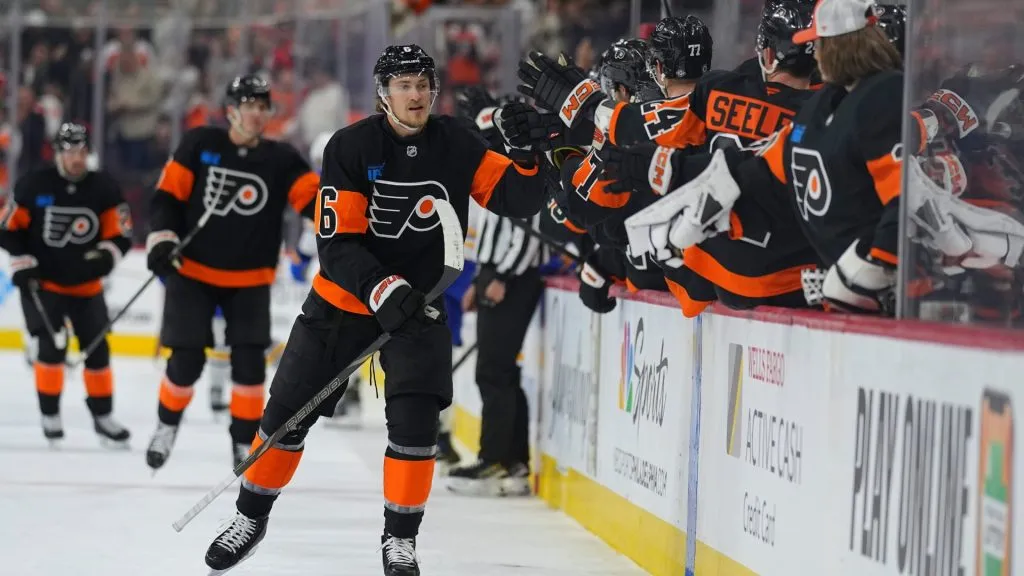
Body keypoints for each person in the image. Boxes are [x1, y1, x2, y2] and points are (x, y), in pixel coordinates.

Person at [202, 45, 548, 576]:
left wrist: (528, 154)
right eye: (404, 85)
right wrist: (384, 287)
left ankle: (400, 539)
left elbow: (518, 199)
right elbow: (338, 244)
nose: (417, 94)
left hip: (420, 308)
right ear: (383, 93)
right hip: (344, 304)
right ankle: (250, 517)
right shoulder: (350, 147)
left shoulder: (455, 140)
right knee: (284, 417)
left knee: (415, 425)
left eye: (423, 83)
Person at [623, 0, 910, 314]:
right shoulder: (820, 105)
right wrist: (705, 201)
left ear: (835, 46)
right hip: (835, 283)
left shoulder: (881, 94)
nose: (814, 54)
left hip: (873, 281)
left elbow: (904, 196)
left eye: (818, 44)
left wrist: (880, 262)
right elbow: (762, 170)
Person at [144, 74, 320, 470]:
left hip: (250, 280)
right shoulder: (200, 144)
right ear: (230, 112)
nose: (257, 114)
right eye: (249, 106)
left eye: (263, 107)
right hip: (193, 273)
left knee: (249, 365)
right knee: (186, 361)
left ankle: (244, 442)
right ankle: (166, 425)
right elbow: (167, 197)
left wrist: (340, 217)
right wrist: (162, 239)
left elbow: (313, 199)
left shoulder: (281, 159)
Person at [0, 122, 133, 445]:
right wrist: (22, 264)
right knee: (51, 347)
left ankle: (103, 416)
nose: (77, 158)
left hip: (87, 289)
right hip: (44, 285)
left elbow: (122, 232)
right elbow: (8, 229)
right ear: (58, 153)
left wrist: (107, 255)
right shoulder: (33, 184)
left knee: (98, 351)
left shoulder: (103, 187)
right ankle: (50, 413)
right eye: (70, 151)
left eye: (82, 151)